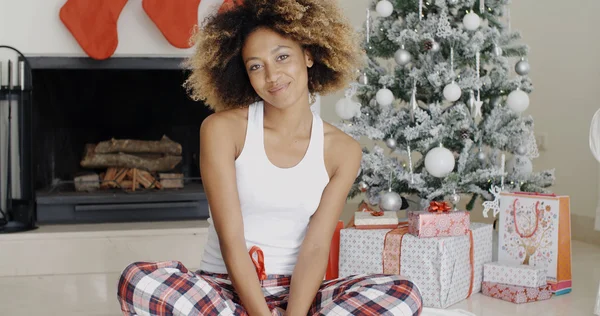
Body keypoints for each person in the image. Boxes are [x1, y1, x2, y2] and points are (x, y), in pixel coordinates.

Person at [116, 1, 422, 315]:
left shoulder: (342, 150)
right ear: (244, 74)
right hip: (223, 290)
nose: (272, 75)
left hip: (300, 295)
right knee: (137, 281)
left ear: (308, 54)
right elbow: (231, 240)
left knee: (403, 293)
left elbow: (316, 248)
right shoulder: (222, 130)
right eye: (256, 66)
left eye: (282, 56)